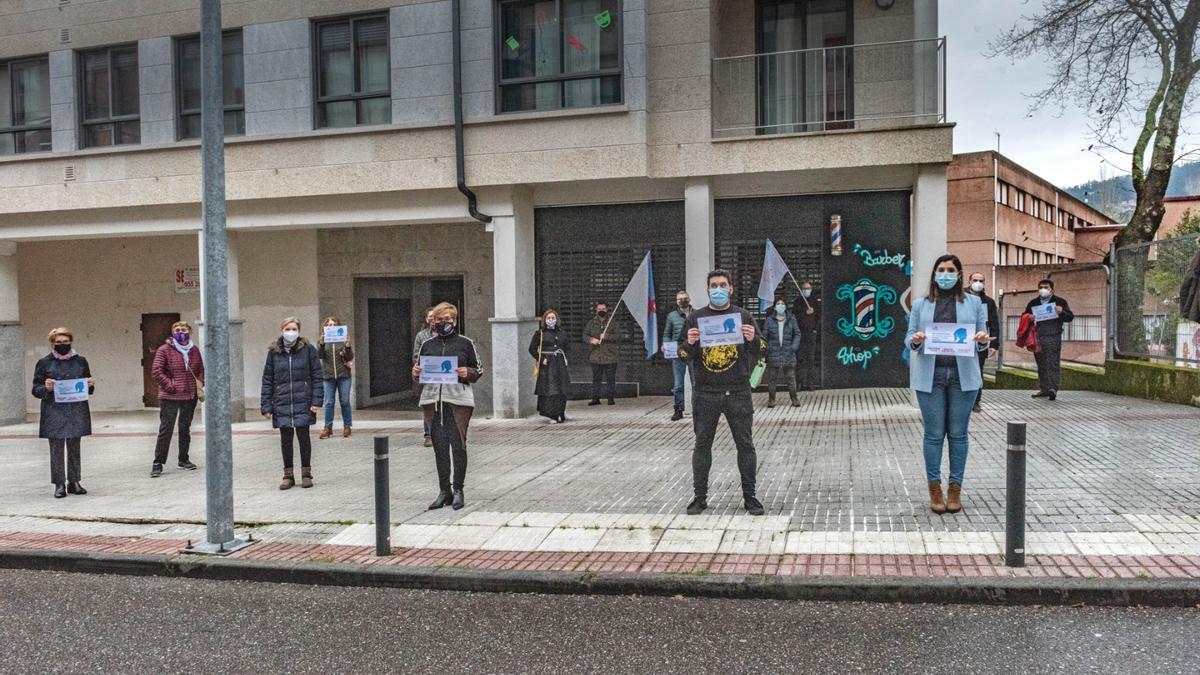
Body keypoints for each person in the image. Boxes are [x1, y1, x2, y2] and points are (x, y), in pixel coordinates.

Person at [905, 254, 991, 514]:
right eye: (941, 269)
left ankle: (955, 489)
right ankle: (935, 489)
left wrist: (982, 339)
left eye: (950, 269)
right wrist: (917, 340)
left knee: (958, 434)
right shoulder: (920, 305)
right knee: (933, 435)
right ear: (934, 274)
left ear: (959, 274)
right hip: (931, 376)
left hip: (963, 378)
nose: (945, 274)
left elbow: (983, 339)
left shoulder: (974, 303)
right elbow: (909, 338)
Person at [677, 269, 767, 516]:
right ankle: (700, 497)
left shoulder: (744, 315)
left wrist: (752, 339)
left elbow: (762, 349)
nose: (718, 289)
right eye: (713, 285)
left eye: (722, 285)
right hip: (705, 393)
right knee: (702, 445)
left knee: (745, 445)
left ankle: (750, 497)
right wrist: (690, 343)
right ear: (708, 290)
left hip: (738, 391)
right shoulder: (695, 319)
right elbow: (681, 354)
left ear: (730, 288)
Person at [413, 302, 484, 510]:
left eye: (448, 320)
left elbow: (479, 370)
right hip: (433, 401)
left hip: (458, 401)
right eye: (439, 320)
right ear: (433, 322)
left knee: (458, 445)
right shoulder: (427, 345)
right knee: (439, 447)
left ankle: (458, 489)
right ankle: (444, 490)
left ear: (455, 321)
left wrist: (467, 373)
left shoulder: (465, 343)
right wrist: (415, 374)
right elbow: (420, 375)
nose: (444, 323)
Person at [261, 317, 323, 490]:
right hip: (282, 400)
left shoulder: (308, 350)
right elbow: (267, 379)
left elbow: (317, 376)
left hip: (303, 400)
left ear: (299, 330)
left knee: (304, 437)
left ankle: (306, 473)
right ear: (281, 330)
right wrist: (266, 405)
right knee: (285, 439)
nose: (291, 332)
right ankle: (288, 475)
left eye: (294, 328)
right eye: (287, 329)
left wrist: (316, 400)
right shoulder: (273, 352)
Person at [32, 327, 95, 498]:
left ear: (71, 342)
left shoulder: (80, 361)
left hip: (76, 410)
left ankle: (74, 481)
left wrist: (90, 385)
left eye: (66, 342)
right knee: (57, 448)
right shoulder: (44, 363)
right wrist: (45, 388)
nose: (62, 345)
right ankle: (59, 483)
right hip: (54, 411)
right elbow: (35, 389)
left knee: (74, 446)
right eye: (58, 342)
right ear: (52, 344)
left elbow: (87, 382)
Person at [150, 320, 204, 477]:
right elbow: (157, 372)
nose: (181, 332)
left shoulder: (194, 350)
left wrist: (200, 383)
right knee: (166, 429)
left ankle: (184, 459)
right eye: (177, 329)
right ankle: (158, 462)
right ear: (173, 333)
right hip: (170, 396)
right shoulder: (164, 350)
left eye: (184, 329)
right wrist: (171, 386)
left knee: (185, 428)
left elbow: (200, 369)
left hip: (189, 395)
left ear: (189, 331)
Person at [1023, 279, 1074, 401]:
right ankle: (1044, 388)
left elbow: (1070, 317)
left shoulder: (1059, 302)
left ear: (1052, 289)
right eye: (1041, 287)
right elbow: (1024, 316)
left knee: (1052, 362)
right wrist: (1029, 317)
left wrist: (1061, 312)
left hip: (1053, 335)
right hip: (1037, 336)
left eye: (1046, 287)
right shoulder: (1033, 303)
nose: (1043, 289)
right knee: (1041, 363)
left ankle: (1052, 388)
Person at [966, 273, 1000, 412]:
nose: (978, 283)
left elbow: (994, 324)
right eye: (975, 280)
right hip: (963, 341)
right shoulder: (960, 298)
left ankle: (976, 401)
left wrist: (993, 345)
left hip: (981, 343)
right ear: (969, 281)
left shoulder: (989, 302)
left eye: (981, 280)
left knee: (978, 371)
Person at [529, 309, 571, 423]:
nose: (551, 320)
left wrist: (563, 357)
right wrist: (541, 359)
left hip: (560, 364)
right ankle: (552, 414)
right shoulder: (540, 333)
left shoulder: (562, 333)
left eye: (553, 318)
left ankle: (561, 412)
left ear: (557, 320)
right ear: (545, 320)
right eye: (548, 318)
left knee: (562, 388)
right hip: (547, 365)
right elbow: (532, 349)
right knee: (551, 390)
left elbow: (567, 347)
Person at [317, 316, 354, 439]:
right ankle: (328, 428)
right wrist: (321, 344)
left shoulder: (342, 340)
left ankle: (347, 426)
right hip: (328, 376)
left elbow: (349, 357)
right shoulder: (323, 341)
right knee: (328, 402)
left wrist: (348, 347)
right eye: (329, 325)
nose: (331, 327)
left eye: (334, 325)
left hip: (344, 375)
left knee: (344, 401)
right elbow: (320, 356)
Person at [763, 296, 801, 407]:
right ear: (775, 307)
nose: (780, 306)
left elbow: (797, 334)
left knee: (790, 377)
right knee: (772, 378)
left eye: (782, 303)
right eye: (778, 304)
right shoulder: (769, 320)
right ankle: (771, 400)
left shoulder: (791, 319)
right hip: (773, 352)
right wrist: (767, 348)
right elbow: (764, 336)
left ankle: (794, 399)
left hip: (788, 351)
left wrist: (794, 347)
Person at [661, 291, 692, 421]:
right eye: (680, 299)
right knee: (678, 384)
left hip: (693, 351)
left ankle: (698, 409)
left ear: (689, 299)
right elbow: (667, 333)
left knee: (696, 382)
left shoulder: (695, 314)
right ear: (676, 301)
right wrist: (665, 345)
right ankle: (678, 409)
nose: (682, 301)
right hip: (677, 351)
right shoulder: (671, 316)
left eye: (685, 298)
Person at [583, 301, 620, 406]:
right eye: (599, 309)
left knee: (610, 379)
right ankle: (595, 398)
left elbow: (619, 336)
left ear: (607, 309)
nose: (601, 311)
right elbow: (584, 335)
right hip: (595, 355)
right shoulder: (591, 323)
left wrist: (607, 336)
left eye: (603, 309)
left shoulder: (613, 322)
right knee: (596, 379)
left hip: (610, 355)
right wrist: (591, 340)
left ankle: (610, 398)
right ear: (596, 310)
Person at [413, 308, 435, 447]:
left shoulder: (446, 334)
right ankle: (428, 435)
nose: (433, 320)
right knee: (429, 405)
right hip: (427, 375)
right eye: (430, 317)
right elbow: (416, 355)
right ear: (426, 319)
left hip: (444, 377)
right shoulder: (421, 336)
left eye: (435, 317)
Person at [793, 280, 821, 390]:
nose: (806, 291)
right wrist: (805, 312)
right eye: (804, 289)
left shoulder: (815, 302)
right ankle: (799, 383)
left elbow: (819, 316)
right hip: (800, 333)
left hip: (811, 333)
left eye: (808, 289)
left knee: (811, 358)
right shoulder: (797, 302)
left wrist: (815, 329)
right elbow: (795, 316)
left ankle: (811, 383)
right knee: (800, 359)